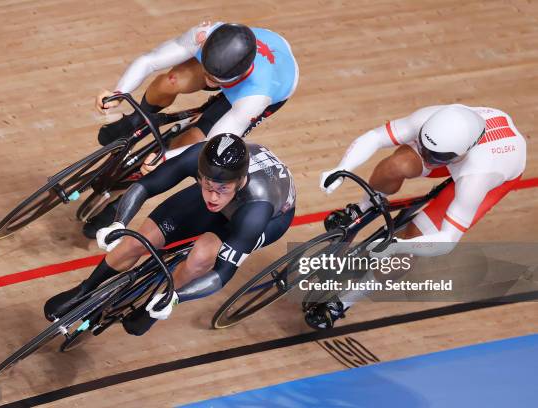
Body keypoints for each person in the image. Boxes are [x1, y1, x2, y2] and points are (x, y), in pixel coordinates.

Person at [44, 134, 296, 335]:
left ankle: (157, 303)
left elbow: (222, 274)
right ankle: (84, 289)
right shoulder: (199, 157)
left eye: (222, 189)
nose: (213, 196)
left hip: (264, 218)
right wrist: (119, 223)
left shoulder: (257, 209)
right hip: (235, 200)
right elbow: (145, 186)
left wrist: (175, 298)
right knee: (137, 241)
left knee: (201, 256)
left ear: (240, 180)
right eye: (207, 186)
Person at [307, 104, 526, 329]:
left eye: (434, 157)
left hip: (491, 171)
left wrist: (399, 245)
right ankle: (360, 210)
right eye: (422, 146)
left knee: (412, 244)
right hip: (456, 153)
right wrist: (341, 168)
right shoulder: (429, 120)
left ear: (462, 152)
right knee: (396, 165)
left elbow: (447, 240)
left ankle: (343, 302)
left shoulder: (477, 177)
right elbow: (375, 137)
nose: (426, 158)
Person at [83, 21, 299, 238]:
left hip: (261, 89)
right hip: (239, 61)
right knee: (172, 80)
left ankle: (121, 200)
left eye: (213, 80)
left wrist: (166, 157)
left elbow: (209, 145)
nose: (206, 80)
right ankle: (135, 121)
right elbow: (149, 61)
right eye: (206, 71)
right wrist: (118, 93)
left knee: (190, 140)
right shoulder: (205, 35)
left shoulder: (257, 96)